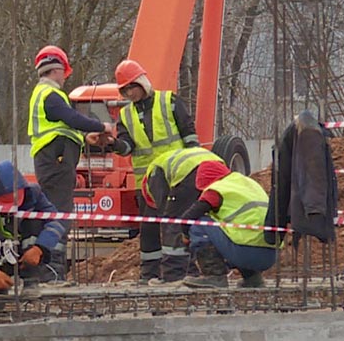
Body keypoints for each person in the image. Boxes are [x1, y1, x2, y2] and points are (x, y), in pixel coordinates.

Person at [109, 59, 200, 283]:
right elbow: (127, 146)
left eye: (132, 87)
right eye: (125, 90)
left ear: (142, 83)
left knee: (178, 225)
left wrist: (195, 165)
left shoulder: (168, 101)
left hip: (177, 176)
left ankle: (188, 270)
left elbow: (189, 134)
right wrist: (111, 144)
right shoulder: (126, 116)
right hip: (147, 183)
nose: (130, 93)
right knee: (149, 229)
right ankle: (149, 274)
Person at [27, 45, 112, 256]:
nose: (64, 78)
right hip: (56, 162)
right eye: (63, 73)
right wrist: (102, 127)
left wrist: (84, 138)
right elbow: (72, 119)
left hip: (53, 161)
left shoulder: (45, 95)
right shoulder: (51, 94)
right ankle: (53, 267)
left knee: (55, 211)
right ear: (56, 70)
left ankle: (49, 267)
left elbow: (63, 127)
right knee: (59, 213)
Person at [0, 161, 68, 293]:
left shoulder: (34, 194)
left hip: (24, 258)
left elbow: (56, 221)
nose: (12, 208)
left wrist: (40, 247)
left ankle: (31, 280)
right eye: (6, 203)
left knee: (35, 220)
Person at [179, 159, 280, 289]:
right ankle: (253, 278)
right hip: (270, 254)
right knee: (236, 230)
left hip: (244, 252)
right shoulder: (248, 183)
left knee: (200, 223)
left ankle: (214, 277)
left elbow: (188, 218)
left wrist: (186, 236)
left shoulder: (217, 189)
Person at [145, 146, 222, 282]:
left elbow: (166, 212)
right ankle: (201, 271)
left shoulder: (154, 173)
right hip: (218, 166)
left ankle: (174, 275)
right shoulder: (171, 159)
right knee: (203, 219)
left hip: (190, 171)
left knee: (172, 222)